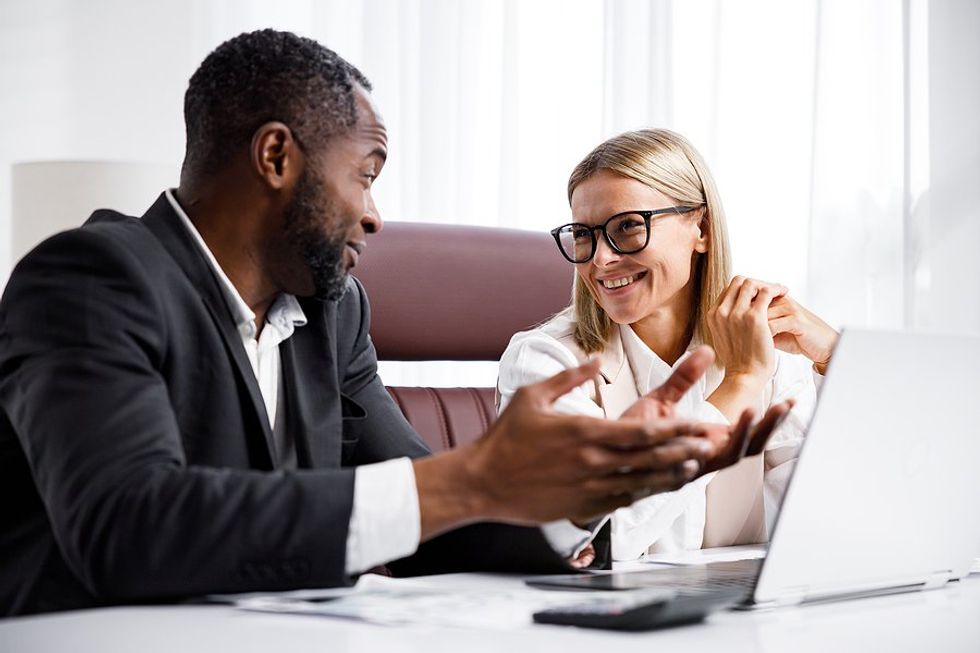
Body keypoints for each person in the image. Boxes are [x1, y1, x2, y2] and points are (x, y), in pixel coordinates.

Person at [0, 32, 790, 616]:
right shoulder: (91, 280)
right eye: (365, 174)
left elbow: (432, 515)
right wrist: (472, 475)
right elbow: (126, 524)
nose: (376, 216)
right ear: (276, 157)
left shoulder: (331, 314)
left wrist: (584, 493)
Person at [498, 128, 838, 561]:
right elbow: (593, 537)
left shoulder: (770, 354)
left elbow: (830, 525)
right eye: (584, 234)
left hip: (735, 617)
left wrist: (835, 360)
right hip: (608, 622)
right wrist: (740, 385)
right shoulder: (545, 363)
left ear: (702, 229)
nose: (601, 259)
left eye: (627, 227)